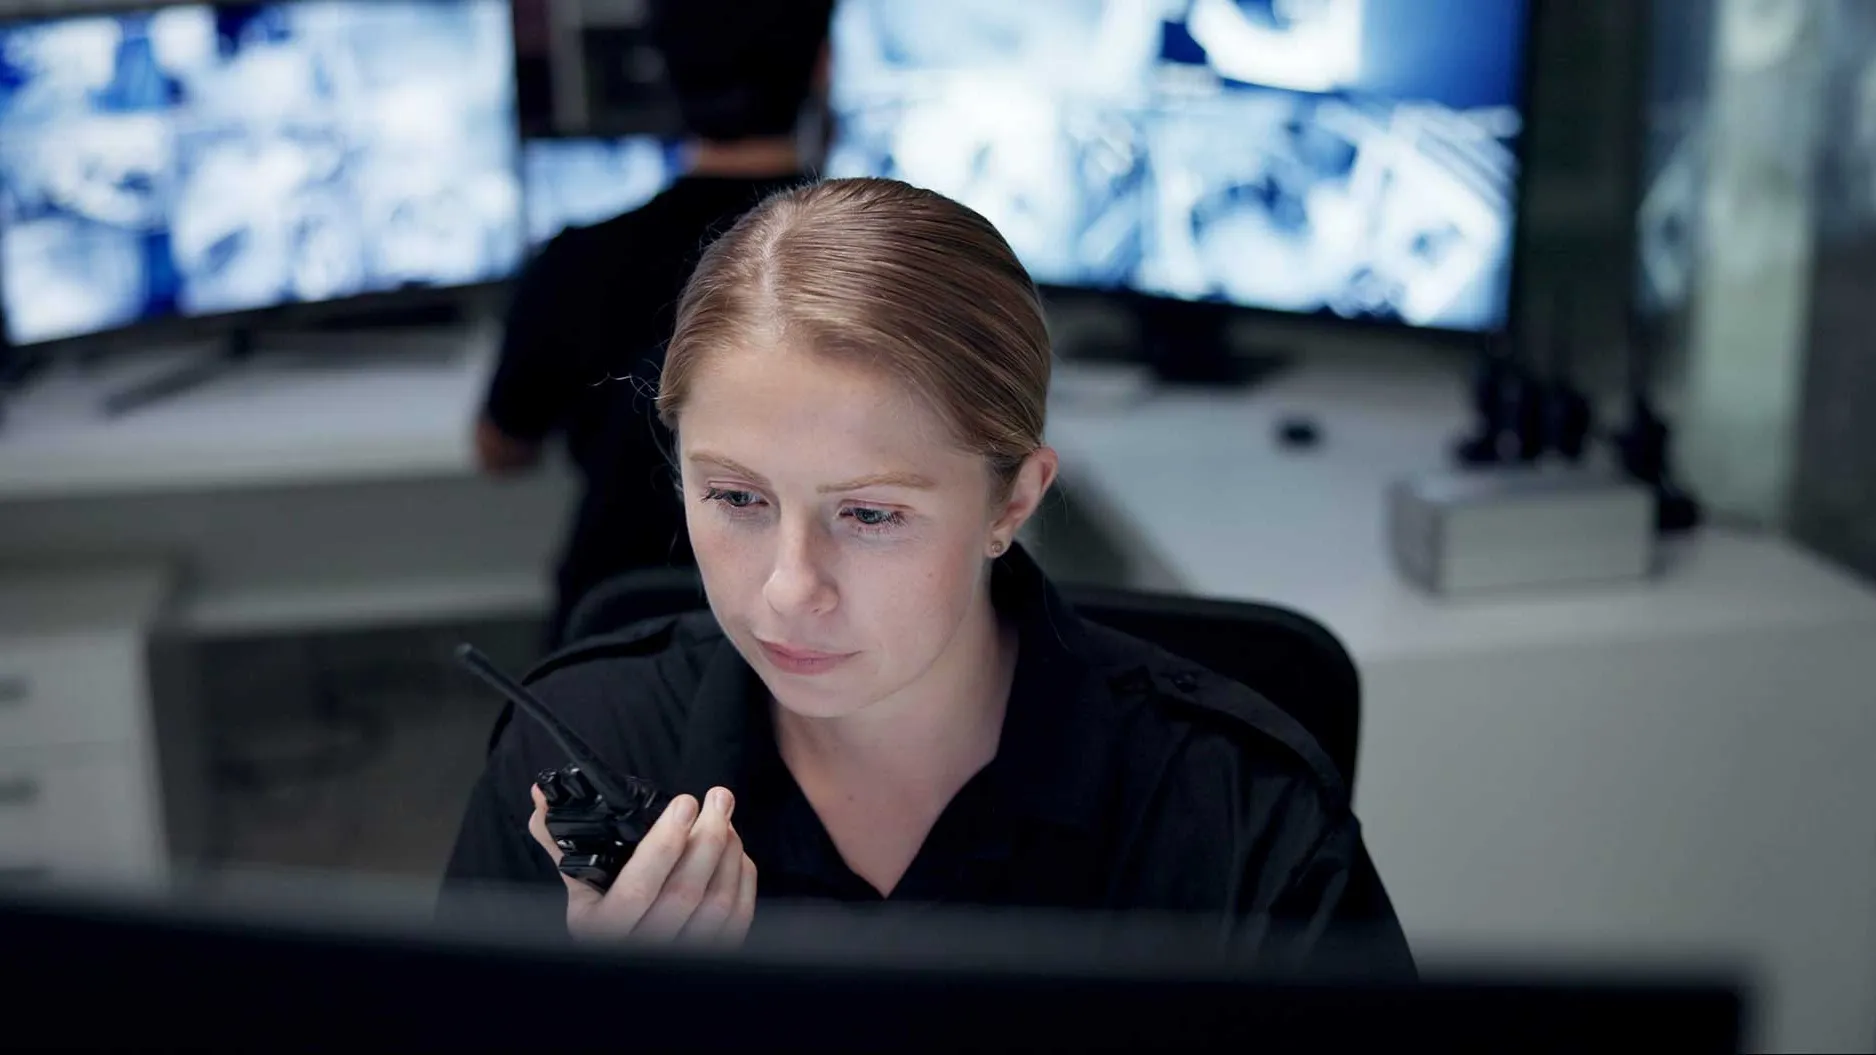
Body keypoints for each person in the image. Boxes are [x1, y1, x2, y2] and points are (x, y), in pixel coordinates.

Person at [441, 177, 1413, 971]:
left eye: (868, 514)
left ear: (1011, 504)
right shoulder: (567, 755)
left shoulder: (1239, 816)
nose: (786, 589)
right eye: (735, 499)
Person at [474, 0, 833, 649]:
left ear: (662, 73)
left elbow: (500, 449)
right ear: (824, 67)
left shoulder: (578, 263)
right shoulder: (880, 268)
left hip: (622, 653)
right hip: (823, 633)